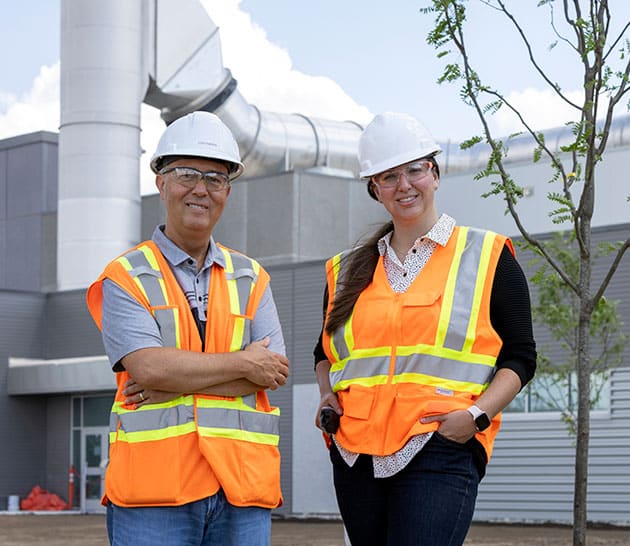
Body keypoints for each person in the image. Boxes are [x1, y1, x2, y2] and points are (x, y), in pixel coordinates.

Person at [313, 112, 537, 546]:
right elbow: (324, 353)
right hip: (355, 452)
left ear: (434, 174)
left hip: (440, 445)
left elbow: (521, 357)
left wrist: (475, 417)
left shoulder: (487, 255)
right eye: (389, 176)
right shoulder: (344, 270)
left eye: (414, 170)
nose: (405, 185)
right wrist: (327, 396)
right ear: (374, 189)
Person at [86, 111, 289, 546]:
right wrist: (240, 365)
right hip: (154, 494)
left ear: (228, 192)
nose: (201, 188)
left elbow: (272, 371)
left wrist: (178, 382)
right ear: (161, 183)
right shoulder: (125, 275)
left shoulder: (252, 277)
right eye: (186, 174)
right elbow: (150, 368)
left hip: (241, 490)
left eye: (215, 178)